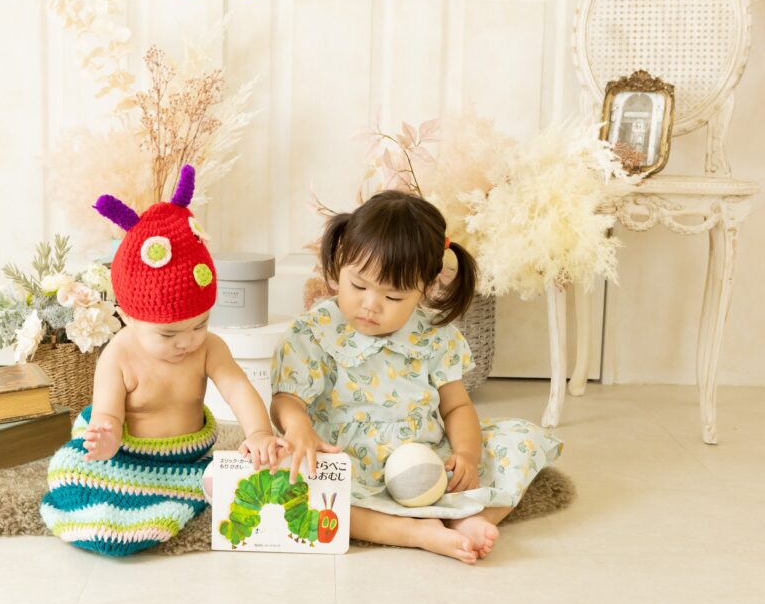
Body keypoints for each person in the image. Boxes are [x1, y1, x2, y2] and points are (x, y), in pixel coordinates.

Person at [271, 191, 563, 564]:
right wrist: (298, 427)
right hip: (346, 462)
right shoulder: (314, 332)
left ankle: (468, 519)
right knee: (298, 487)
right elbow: (287, 399)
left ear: (425, 289)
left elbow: (456, 406)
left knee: (522, 439)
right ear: (341, 264)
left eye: (393, 297)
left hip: (429, 459)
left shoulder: (434, 336)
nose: (370, 305)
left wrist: (467, 455)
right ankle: (416, 532)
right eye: (358, 286)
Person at [41, 165, 286, 557]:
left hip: (184, 458)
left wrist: (258, 433)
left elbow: (238, 389)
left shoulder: (210, 348)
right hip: (122, 452)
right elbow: (107, 413)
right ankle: (109, 503)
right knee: (71, 470)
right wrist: (106, 437)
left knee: (227, 480)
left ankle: (174, 493)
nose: (186, 342)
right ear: (129, 316)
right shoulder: (119, 355)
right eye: (168, 334)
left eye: (200, 324)